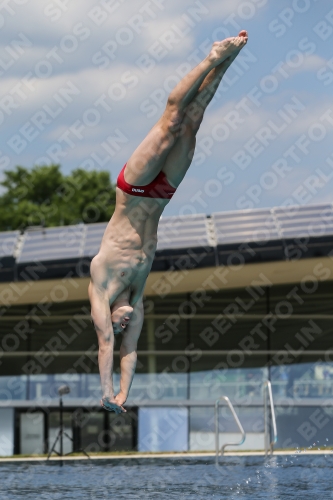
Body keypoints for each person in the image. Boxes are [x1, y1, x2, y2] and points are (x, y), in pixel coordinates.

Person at [88, 31, 248, 413]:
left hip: (135, 189)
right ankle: (228, 62)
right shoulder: (138, 297)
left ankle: (212, 56)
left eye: (118, 324)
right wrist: (126, 395)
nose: (123, 326)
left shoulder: (102, 283)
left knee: (171, 121)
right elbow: (131, 350)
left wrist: (107, 392)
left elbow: (108, 345)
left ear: (110, 316)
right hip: (161, 196)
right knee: (192, 125)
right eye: (126, 326)